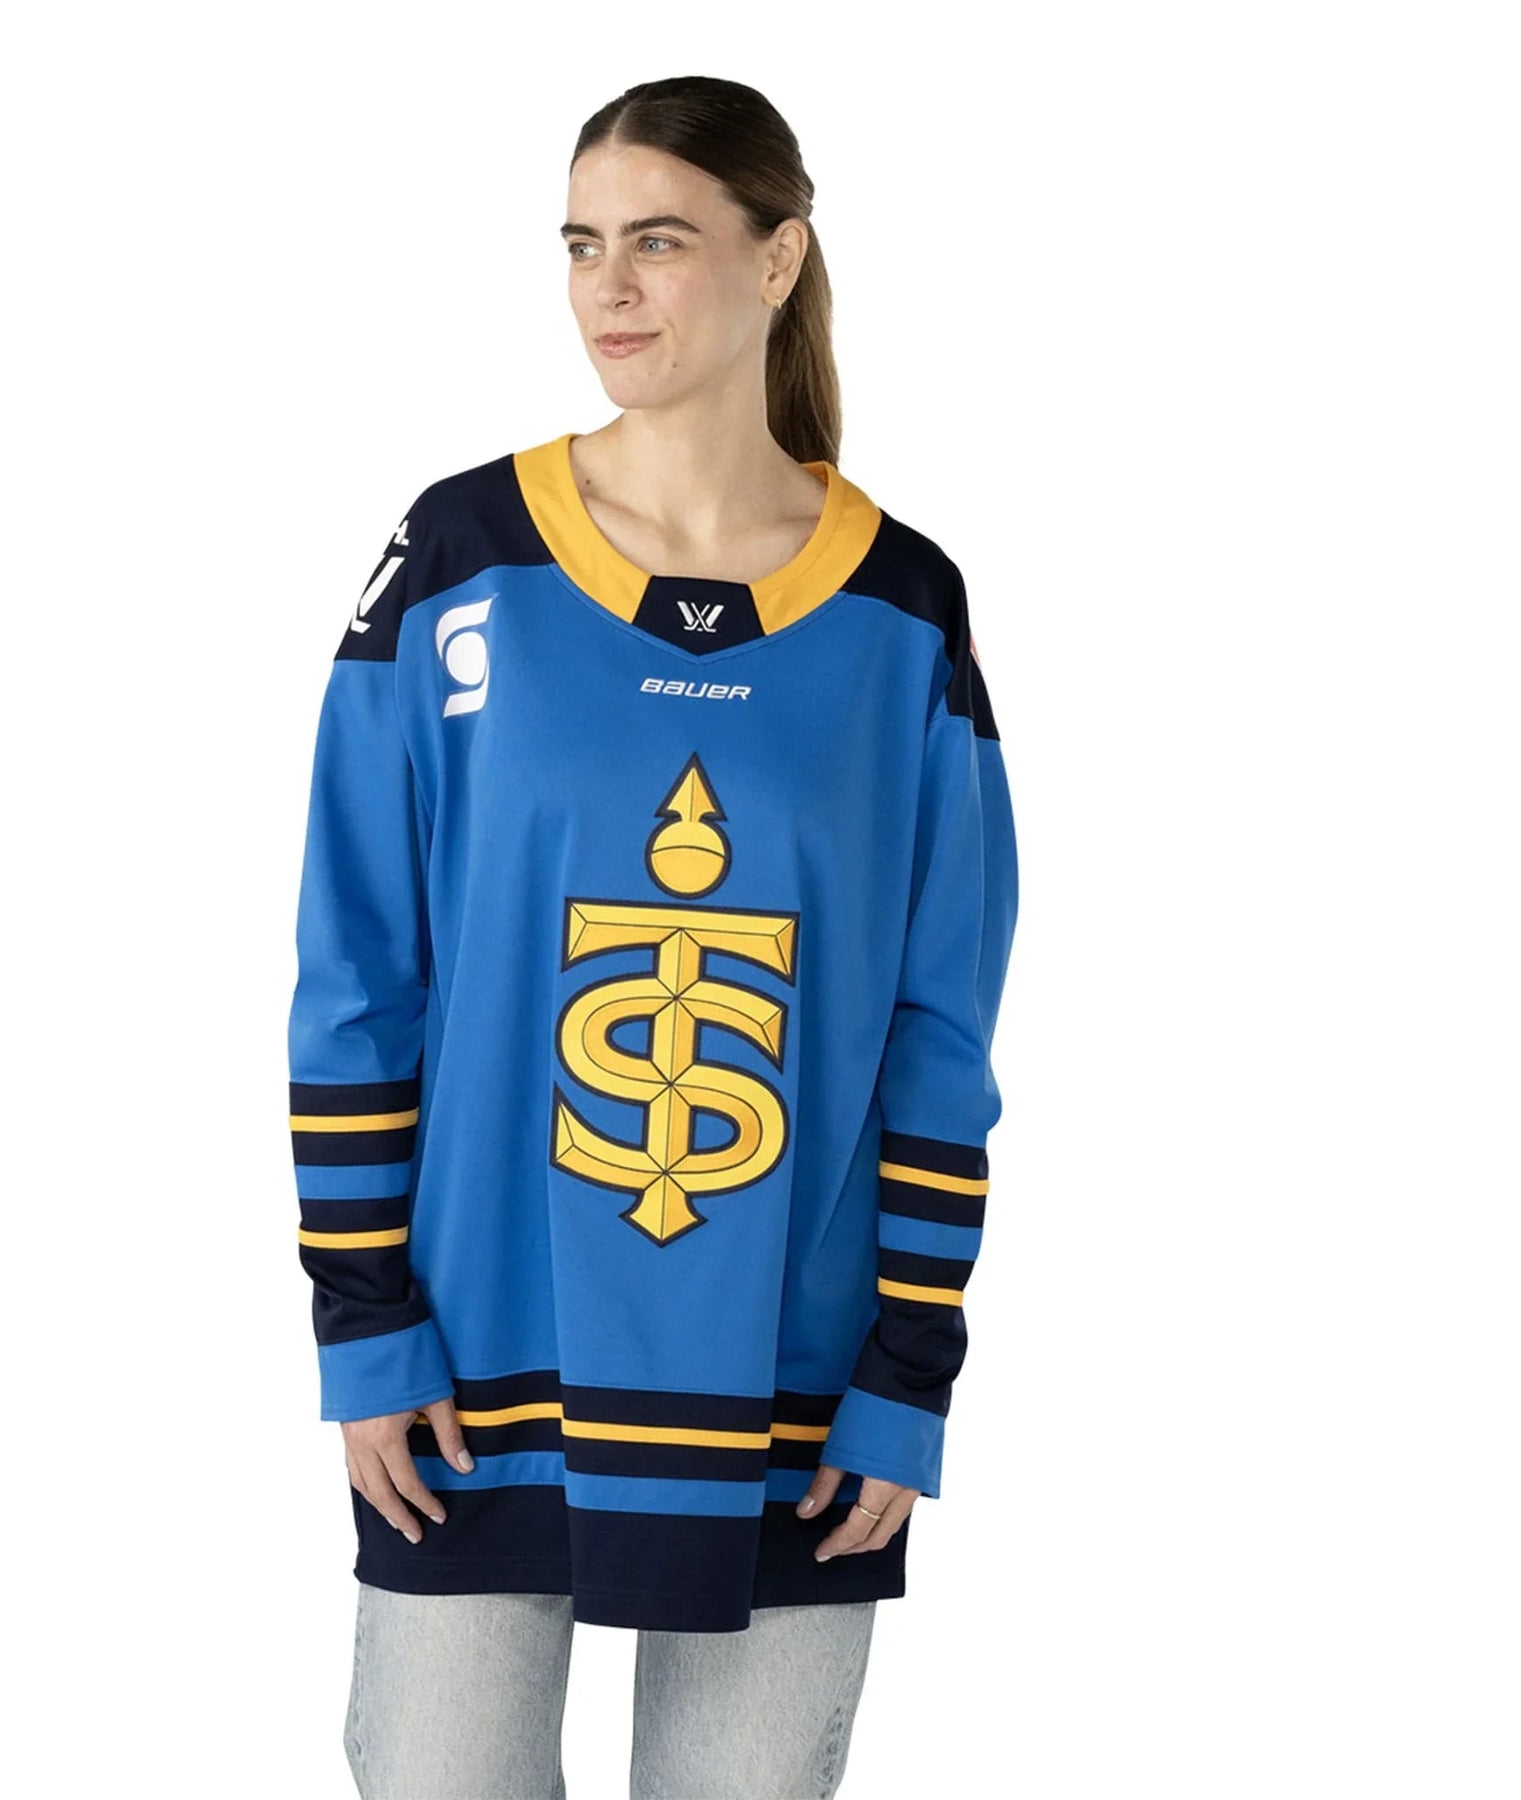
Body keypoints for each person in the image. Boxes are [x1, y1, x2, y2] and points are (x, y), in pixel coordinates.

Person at [287, 73, 1019, 1800]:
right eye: (580, 245)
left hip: (797, 1386)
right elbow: (358, 974)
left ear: (779, 259)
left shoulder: (903, 608)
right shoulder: (461, 557)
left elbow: (941, 1027)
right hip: (476, 1364)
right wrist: (362, 1323)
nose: (608, 287)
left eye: (661, 242)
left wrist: (910, 1372)